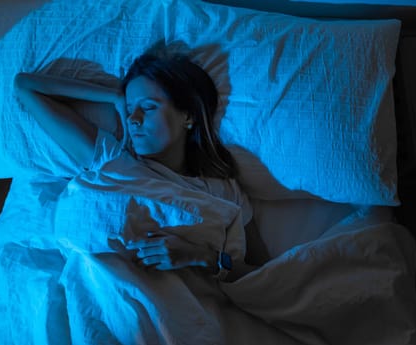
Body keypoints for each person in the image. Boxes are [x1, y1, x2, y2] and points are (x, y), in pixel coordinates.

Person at [14, 50, 270, 282]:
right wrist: (113, 96)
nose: (133, 119)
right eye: (129, 109)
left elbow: (267, 278)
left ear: (188, 116)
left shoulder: (225, 191)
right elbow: (25, 87)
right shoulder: (112, 160)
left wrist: (202, 256)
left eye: (148, 107)